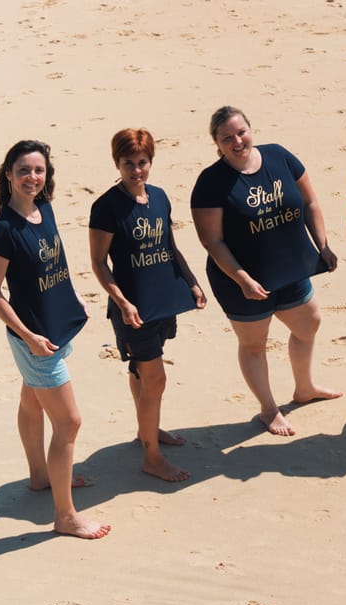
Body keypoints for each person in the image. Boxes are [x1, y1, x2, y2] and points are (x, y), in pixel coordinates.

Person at [0, 140, 110, 539]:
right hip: (35, 338)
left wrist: (73, 299)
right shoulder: (5, 230)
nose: (32, 177)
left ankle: (40, 475)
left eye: (39, 170)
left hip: (56, 325)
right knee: (69, 421)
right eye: (23, 170)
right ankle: (65, 516)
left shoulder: (44, 209)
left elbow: (55, 263)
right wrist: (28, 336)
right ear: (9, 175)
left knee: (31, 398)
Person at [190, 106, 341, 436]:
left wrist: (323, 245)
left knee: (309, 323)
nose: (237, 141)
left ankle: (304, 387)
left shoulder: (279, 156)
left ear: (250, 129)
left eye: (241, 132)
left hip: (290, 267)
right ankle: (269, 410)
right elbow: (212, 240)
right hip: (240, 279)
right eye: (227, 138)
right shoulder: (211, 182)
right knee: (254, 345)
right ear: (216, 143)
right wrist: (242, 278)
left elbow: (310, 203)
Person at [89, 128, 207, 481]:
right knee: (155, 378)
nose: (136, 170)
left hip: (162, 300)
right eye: (128, 163)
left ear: (150, 161)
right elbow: (99, 263)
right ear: (117, 163)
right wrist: (122, 302)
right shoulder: (106, 207)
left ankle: (148, 430)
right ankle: (151, 458)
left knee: (141, 371)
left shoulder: (159, 197)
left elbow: (170, 247)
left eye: (142, 162)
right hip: (133, 309)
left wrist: (192, 281)